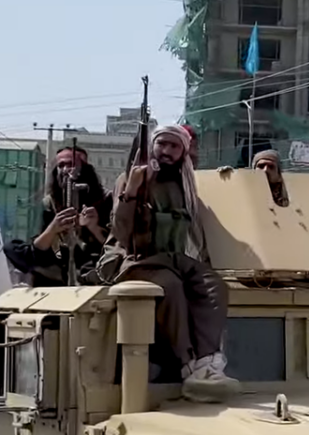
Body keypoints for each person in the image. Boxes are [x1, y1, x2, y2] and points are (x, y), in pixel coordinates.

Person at [99, 125, 238, 402]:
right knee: (169, 288)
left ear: (183, 151)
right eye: (162, 144)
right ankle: (187, 364)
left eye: (174, 147)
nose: (167, 152)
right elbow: (122, 231)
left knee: (213, 285)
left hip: (174, 259)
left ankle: (207, 361)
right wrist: (133, 189)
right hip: (135, 260)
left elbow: (194, 231)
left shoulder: (186, 183)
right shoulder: (130, 178)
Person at [5, 147, 113, 286]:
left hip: (93, 262)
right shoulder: (50, 203)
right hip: (58, 264)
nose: (66, 170)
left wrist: (94, 228)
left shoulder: (106, 200)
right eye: (61, 165)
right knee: (12, 248)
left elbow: (117, 248)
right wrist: (54, 228)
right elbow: (36, 250)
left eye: (71, 164)